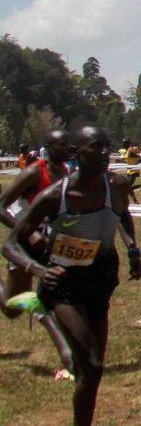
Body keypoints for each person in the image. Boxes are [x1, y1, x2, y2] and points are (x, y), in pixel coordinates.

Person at [2, 124, 141, 426]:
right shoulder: (54, 195)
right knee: (92, 364)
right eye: (95, 147)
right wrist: (36, 268)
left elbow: (123, 215)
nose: (104, 152)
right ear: (76, 154)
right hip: (62, 283)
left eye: (106, 145)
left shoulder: (117, 186)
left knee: (91, 370)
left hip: (100, 280)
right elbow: (10, 244)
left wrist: (132, 248)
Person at [2, 128, 77, 378]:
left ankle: (70, 360)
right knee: (12, 309)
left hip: (50, 243)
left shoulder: (67, 172)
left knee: (60, 296)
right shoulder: (35, 172)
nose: (69, 149)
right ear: (48, 147)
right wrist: (27, 231)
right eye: (63, 145)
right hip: (25, 241)